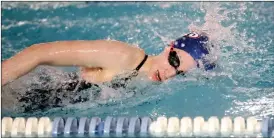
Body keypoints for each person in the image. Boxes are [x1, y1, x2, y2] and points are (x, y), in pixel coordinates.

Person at [1, 32, 216, 112]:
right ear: (168, 47)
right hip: (17, 98)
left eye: (180, 74)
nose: (169, 73)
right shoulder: (124, 56)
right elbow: (39, 52)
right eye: (174, 60)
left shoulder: (148, 88)